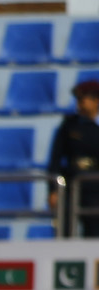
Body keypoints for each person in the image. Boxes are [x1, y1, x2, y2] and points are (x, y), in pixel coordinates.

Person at [48, 79, 99, 237]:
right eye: (78, 100)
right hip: (71, 183)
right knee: (65, 230)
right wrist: (53, 189)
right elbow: (55, 159)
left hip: (95, 187)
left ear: (96, 101)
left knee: (94, 232)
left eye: (83, 100)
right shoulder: (69, 126)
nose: (79, 104)